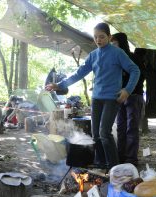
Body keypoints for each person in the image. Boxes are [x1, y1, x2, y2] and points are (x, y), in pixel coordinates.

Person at [46, 23, 140, 170]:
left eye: (102, 37)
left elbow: (135, 70)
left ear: (109, 37)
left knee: (104, 133)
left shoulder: (118, 53)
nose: (98, 40)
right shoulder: (93, 55)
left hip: (112, 98)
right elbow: (79, 73)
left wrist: (127, 90)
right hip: (97, 98)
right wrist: (60, 85)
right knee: (95, 134)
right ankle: (101, 164)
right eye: (96, 37)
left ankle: (114, 167)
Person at [111, 32, 145, 166]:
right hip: (119, 98)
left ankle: (131, 159)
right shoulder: (115, 58)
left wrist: (128, 89)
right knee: (120, 127)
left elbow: (140, 77)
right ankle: (120, 157)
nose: (113, 46)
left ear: (122, 43)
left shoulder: (134, 58)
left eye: (115, 44)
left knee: (132, 128)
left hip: (134, 97)